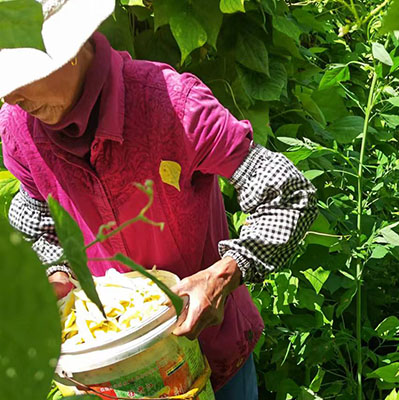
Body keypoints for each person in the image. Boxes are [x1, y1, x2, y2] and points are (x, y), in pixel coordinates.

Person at [0, 0, 317, 398]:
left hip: (212, 350)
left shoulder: (172, 104)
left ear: (72, 47)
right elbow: (35, 223)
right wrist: (54, 274)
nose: (10, 96)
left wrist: (222, 276)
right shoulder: (18, 130)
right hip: (112, 367)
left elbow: (288, 195)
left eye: (18, 74)